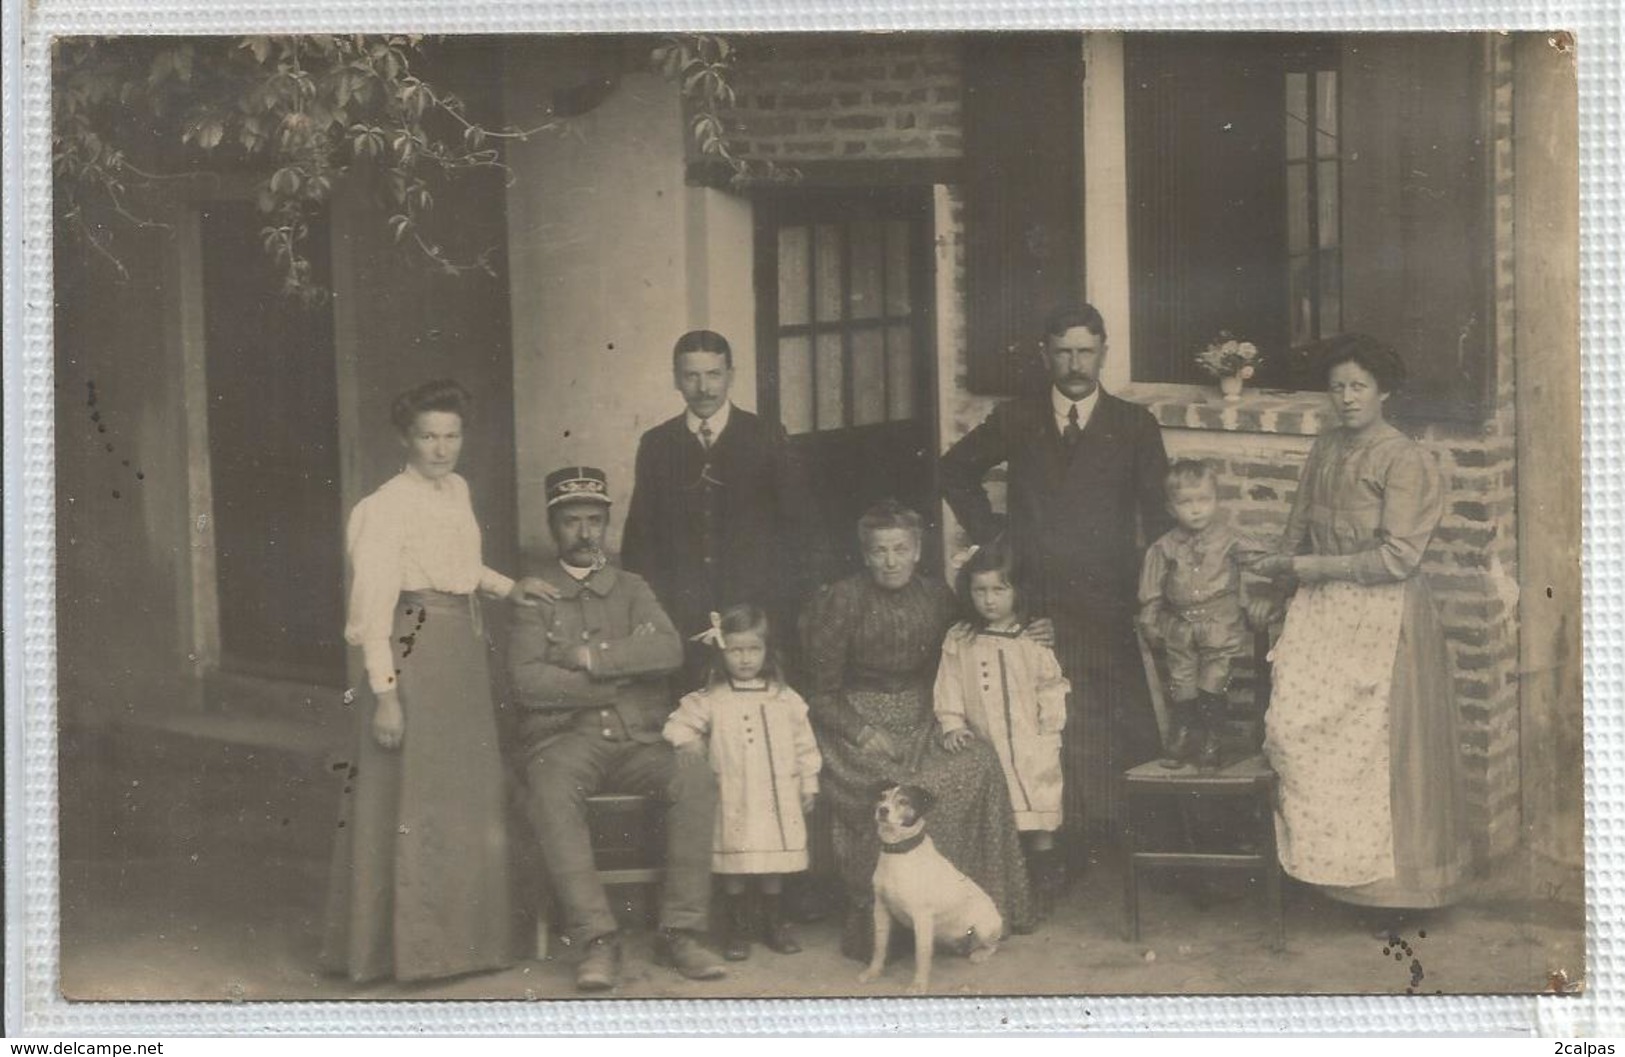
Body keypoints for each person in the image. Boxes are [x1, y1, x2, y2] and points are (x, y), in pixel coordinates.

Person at [320, 378, 554, 983]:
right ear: (406, 437)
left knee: (462, 801)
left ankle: (465, 947)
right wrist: (387, 697)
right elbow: (372, 610)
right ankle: (409, 953)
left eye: (451, 435)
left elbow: (459, 568)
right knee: (413, 802)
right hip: (412, 652)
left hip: (461, 658)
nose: (441, 448)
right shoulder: (382, 507)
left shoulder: (457, 491)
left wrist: (509, 586)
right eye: (428, 436)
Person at [940, 303, 1172, 868]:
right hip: (1036, 599)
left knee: (1116, 718)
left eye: (1085, 351)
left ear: (1104, 353)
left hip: (1108, 599)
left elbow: (1159, 517)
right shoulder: (1018, 418)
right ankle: (1054, 850)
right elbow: (953, 469)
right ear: (1046, 355)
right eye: (1063, 352)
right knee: (1042, 722)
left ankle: (1133, 841)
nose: (1074, 364)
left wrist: (1149, 590)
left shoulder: (1133, 425)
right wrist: (996, 536)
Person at [1250, 335, 1470, 915]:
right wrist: (1280, 586)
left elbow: (1399, 557)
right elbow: (1297, 526)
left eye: (1359, 386)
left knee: (1373, 749)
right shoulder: (1325, 447)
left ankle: (1390, 894)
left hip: (1381, 613)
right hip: (1321, 613)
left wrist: (1308, 568)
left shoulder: (1403, 458)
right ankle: (1329, 876)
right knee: (1303, 732)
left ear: (1383, 391)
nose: (1347, 398)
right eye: (1338, 387)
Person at [509, 466, 725, 992]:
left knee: (694, 778)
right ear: (553, 526)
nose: (584, 533)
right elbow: (527, 683)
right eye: (571, 522)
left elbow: (669, 650)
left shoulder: (632, 587)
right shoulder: (536, 596)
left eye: (594, 521)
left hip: (638, 740)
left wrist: (584, 656)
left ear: (607, 524)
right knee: (550, 789)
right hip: (564, 741)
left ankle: (681, 932)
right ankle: (596, 940)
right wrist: (617, 679)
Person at [802, 500, 1035, 960]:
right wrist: (862, 730)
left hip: (923, 717)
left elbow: (979, 633)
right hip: (858, 723)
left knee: (978, 763)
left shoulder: (937, 597)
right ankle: (885, 923)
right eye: (880, 551)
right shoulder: (843, 599)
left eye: (900, 549)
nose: (890, 561)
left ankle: (964, 912)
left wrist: (1032, 628)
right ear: (866, 555)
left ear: (917, 551)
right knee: (895, 789)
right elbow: (820, 693)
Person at [622, 329, 831, 689]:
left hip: (756, 608)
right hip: (684, 610)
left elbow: (801, 529)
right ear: (676, 379)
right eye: (692, 376)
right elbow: (640, 538)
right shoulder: (657, 445)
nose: (704, 388)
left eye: (714, 375)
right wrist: (656, 611)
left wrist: (787, 606)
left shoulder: (765, 436)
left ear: (731, 376)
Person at [663, 603, 822, 961]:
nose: (745, 659)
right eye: (736, 650)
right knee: (735, 860)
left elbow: (804, 744)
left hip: (776, 795)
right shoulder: (713, 698)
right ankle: (739, 926)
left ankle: (774, 921)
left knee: (771, 862)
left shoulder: (785, 698)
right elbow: (678, 724)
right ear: (722, 652)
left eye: (753, 649)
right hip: (734, 793)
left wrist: (808, 782)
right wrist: (691, 743)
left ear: (766, 652)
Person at [934, 537, 1070, 910]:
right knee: (1001, 814)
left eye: (999, 589)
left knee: (1037, 809)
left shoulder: (1031, 638)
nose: (989, 600)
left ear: (1016, 591)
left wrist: (1049, 727)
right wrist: (952, 724)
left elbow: (1051, 684)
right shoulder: (961, 640)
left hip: (1030, 741)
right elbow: (949, 685)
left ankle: (1044, 882)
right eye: (980, 591)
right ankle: (1009, 888)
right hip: (986, 741)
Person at [1137, 459, 1269, 771]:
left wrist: (1263, 595)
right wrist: (1150, 616)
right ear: (1171, 508)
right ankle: (1183, 734)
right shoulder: (1164, 547)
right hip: (1179, 626)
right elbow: (1152, 588)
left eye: (1204, 500)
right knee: (1182, 681)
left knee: (1213, 680)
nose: (1196, 509)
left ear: (1216, 500)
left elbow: (1265, 562)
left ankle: (1213, 739)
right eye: (1186, 503)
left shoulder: (1231, 540)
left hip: (1219, 623)